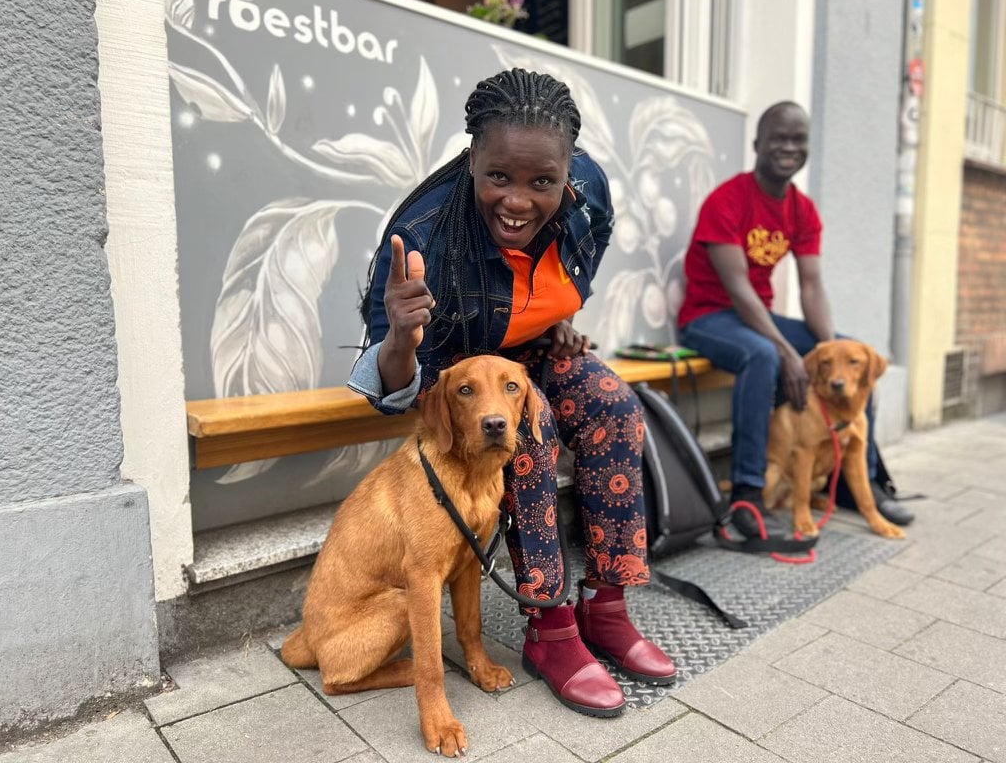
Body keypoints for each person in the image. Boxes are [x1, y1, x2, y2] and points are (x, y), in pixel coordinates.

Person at [349, 68, 675, 718]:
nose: (519, 201)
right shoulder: (422, 237)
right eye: (499, 176)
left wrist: (559, 316)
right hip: (464, 385)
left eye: (541, 182)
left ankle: (607, 605)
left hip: (535, 359)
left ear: (567, 171)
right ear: (472, 159)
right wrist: (401, 340)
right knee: (527, 430)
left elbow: (581, 259)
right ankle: (550, 627)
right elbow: (385, 386)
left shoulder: (590, 192)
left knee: (613, 402)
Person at [677, 101, 914, 535]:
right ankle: (748, 492)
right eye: (778, 139)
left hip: (756, 316)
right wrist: (788, 351)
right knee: (764, 356)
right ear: (757, 145)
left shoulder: (803, 210)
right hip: (709, 317)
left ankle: (862, 479)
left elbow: (811, 286)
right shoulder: (727, 200)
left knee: (856, 356)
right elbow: (739, 289)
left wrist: (832, 350)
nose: (788, 147)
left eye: (797, 139)